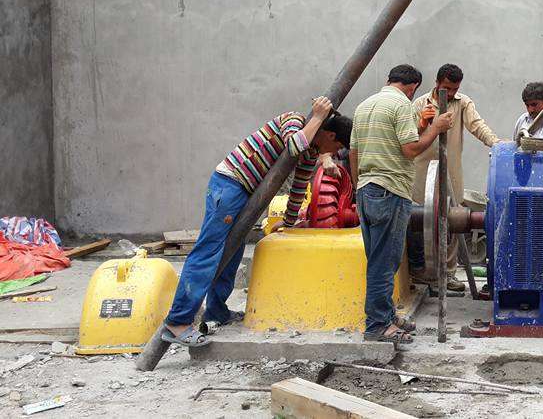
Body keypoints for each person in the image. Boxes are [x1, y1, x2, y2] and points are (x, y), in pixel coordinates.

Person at [161, 98, 352, 347]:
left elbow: (299, 187)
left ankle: (216, 312)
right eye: (336, 146)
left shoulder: (312, 150)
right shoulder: (293, 120)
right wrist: (316, 117)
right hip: (231, 184)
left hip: (245, 194)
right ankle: (178, 322)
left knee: (232, 252)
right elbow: (293, 146)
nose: (335, 153)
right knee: (209, 252)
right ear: (328, 133)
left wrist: (289, 221)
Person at [351, 64, 453, 344]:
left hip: (366, 191)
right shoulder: (402, 105)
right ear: (413, 88)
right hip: (391, 191)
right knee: (385, 263)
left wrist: (357, 187)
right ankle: (377, 326)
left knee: (377, 259)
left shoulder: (364, 106)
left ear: (388, 79)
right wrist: (435, 126)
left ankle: (385, 316)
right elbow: (411, 150)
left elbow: (354, 153)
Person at [410, 64, 500, 291]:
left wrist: (497, 145)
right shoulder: (420, 104)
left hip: (450, 172)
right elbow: (408, 138)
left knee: (451, 220)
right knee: (419, 222)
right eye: (447, 88)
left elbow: (477, 126)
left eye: (454, 89)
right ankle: (421, 273)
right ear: (438, 83)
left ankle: (448, 274)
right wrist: (422, 124)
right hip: (422, 173)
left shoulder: (463, 103)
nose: (449, 94)